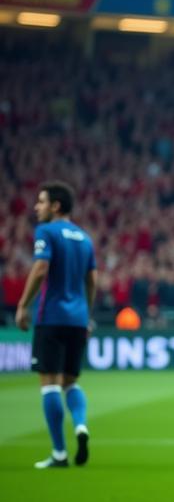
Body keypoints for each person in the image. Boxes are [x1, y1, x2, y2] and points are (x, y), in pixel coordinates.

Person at [15, 181, 96, 468]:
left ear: (56, 206)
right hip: (77, 319)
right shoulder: (86, 239)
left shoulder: (46, 232)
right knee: (71, 382)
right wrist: (87, 315)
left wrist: (24, 304)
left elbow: (40, 267)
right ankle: (81, 425)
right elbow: (92, 281)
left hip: (51, 317)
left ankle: (59, 453)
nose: (37, 207)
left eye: (41, 202)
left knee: (49, 384)